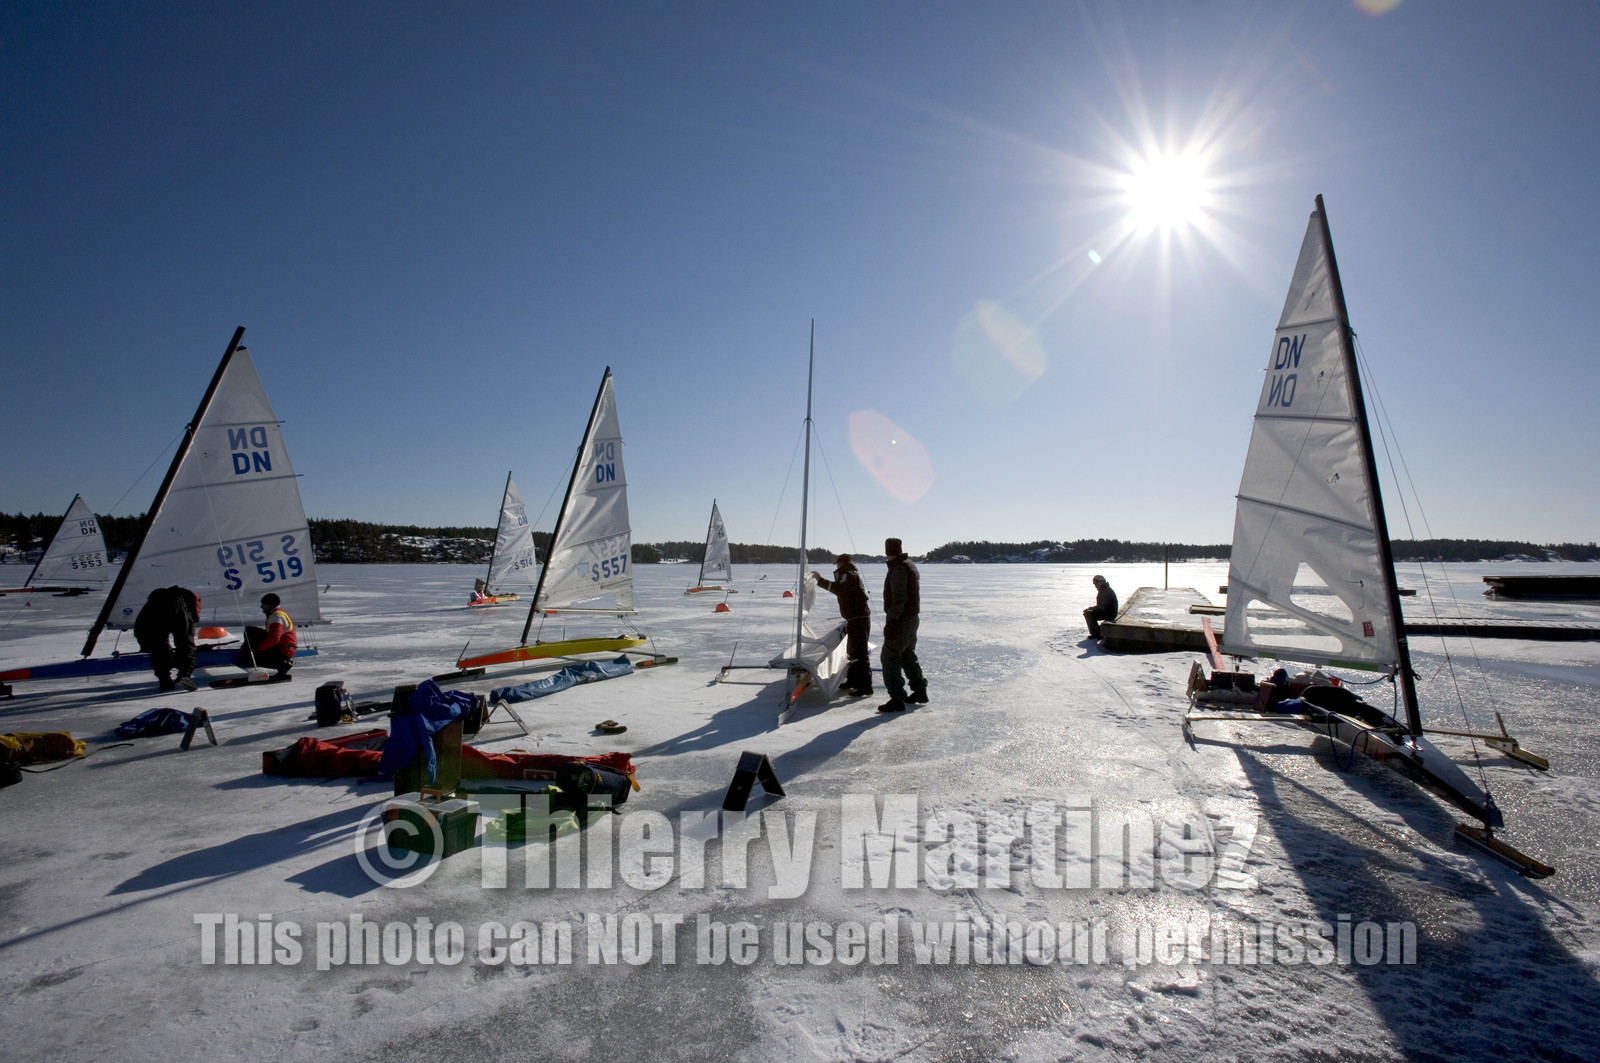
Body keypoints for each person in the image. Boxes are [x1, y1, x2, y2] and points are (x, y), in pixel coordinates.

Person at [878, 537, 927, 712]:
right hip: (911, 619)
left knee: (889, 656)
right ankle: (920, 690)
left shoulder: (899, 567)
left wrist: (891, 620)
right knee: (906, 654)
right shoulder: (908, 564)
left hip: (901, 620)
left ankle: (897, 698)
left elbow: (899, 598)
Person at [813, 554, 872, 696]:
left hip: (858, 618)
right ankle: (853, 680)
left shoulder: (848, 575)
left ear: (841, 563)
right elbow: (841, 590)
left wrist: (820, 580)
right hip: (855, 618)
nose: (837, 567)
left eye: (838, 564)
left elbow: (839, 590)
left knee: (859, 652)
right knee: (853, 651)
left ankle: (865, 686)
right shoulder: (850, 574)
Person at [134, 586, 201, 691]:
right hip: (180, 611)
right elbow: (193, 622)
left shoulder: (152, 604)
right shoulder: (189, 599)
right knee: (185, 643)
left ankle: (164, 679)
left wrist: (146, 646)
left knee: (158, 645)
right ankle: (184, 676)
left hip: (156, 614)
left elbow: (142, 630)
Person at [241, 592, 297, 676]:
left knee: (247, 659)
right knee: (250, 631)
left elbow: (274, 638)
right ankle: (248, 654)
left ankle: (282, 664)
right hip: (282, 646)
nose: (261, 607)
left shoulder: (277, 617)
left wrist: (258, 648)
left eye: (263, 604)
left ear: (269, 605)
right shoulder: (276, 613)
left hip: (283, 650)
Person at [1084, 574, 1118, 639]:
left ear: (1099, 583)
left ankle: (1096, 634)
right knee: (1089, 612)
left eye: (1095, 584)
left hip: (1110, 614)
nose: (1095, 586)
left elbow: (1101, 607)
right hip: (1109, 612)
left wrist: (1091, 609)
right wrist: (1091, 608)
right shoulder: (1104, 589)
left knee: (1088, 614)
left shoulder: (1105, 591)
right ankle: (1096, 631)